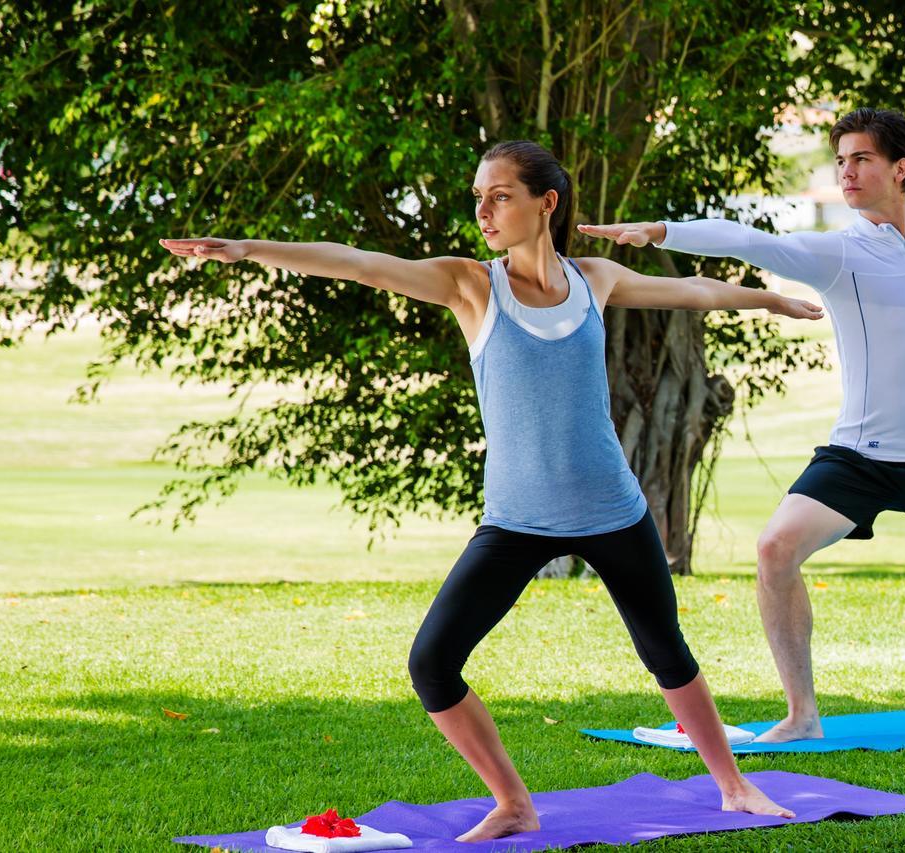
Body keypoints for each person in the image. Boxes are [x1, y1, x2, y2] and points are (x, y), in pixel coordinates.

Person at [161, 140, 824, 840]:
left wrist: (769, 300)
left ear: (547, 202)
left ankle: (733, 786)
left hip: (611, 508)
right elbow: (358, 264)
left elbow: (693, 293)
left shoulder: (594, 279)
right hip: (517, 519)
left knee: (666, 651)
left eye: (499, 194)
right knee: (432, 663)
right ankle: (513, 801)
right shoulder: (470, 285)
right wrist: (244, 249)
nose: (483, 209)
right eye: (478, 196)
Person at [578, 107, 905, 743]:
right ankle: (802, 716)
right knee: (776, 550)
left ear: (900, 168)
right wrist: (659, 232)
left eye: (860, 159)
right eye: (840, 161)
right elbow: (748, 240)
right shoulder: (838, 254)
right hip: (863, 457)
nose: (846, 172)